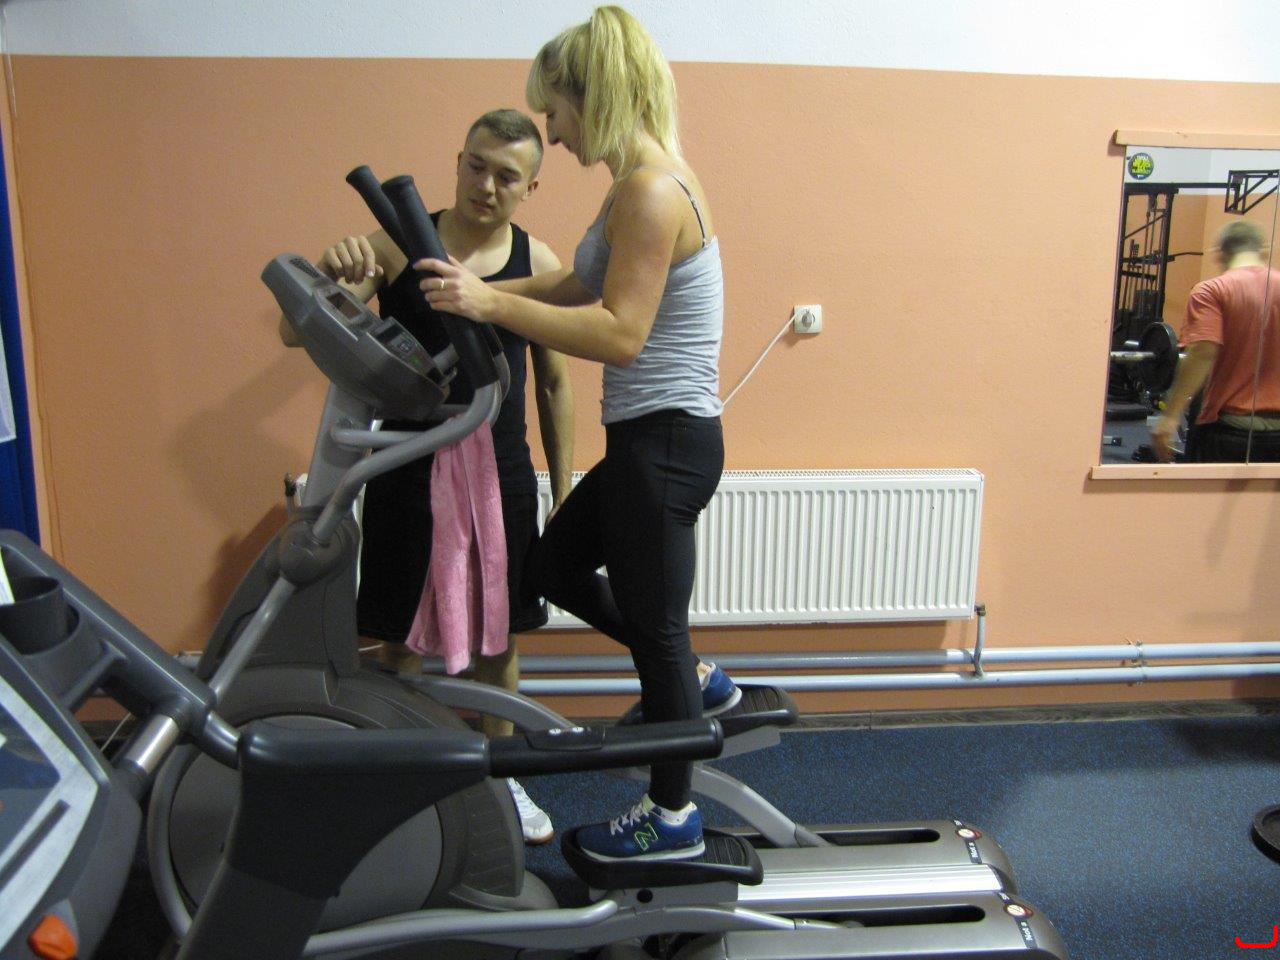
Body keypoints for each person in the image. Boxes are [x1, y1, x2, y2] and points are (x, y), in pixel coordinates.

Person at [415, 6, 739, 862]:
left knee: (657, 632)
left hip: (666, 445)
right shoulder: (636, 182)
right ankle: (697, 682)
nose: (552, 133)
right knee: (550, 568)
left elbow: (620, 333)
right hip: (646, 442)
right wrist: (483, 293)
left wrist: (492, 303)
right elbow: (574, 285)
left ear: (592, 96)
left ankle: (672, 817)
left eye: (553, 111)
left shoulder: (652, 190)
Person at [279, 109, 574, 844]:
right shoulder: (395, 243)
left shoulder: (537, 261)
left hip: (500, 467)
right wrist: (334, 269)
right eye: (476, 165)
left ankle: (502, 781)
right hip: (407, 463)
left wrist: (563, 489)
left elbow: (553, 384)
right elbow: (293, 331)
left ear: (530, 188)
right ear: (458, 160)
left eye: (506, 175)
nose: (486, 185)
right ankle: (400, 773)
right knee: (398, 638)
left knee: (501, 636)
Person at [1152, 220, 1280, 462]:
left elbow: (1203, 353)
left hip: (1230, 429)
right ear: (1263, 251)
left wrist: (1170, 416)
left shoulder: (1212, 290)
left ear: (1220, 254)